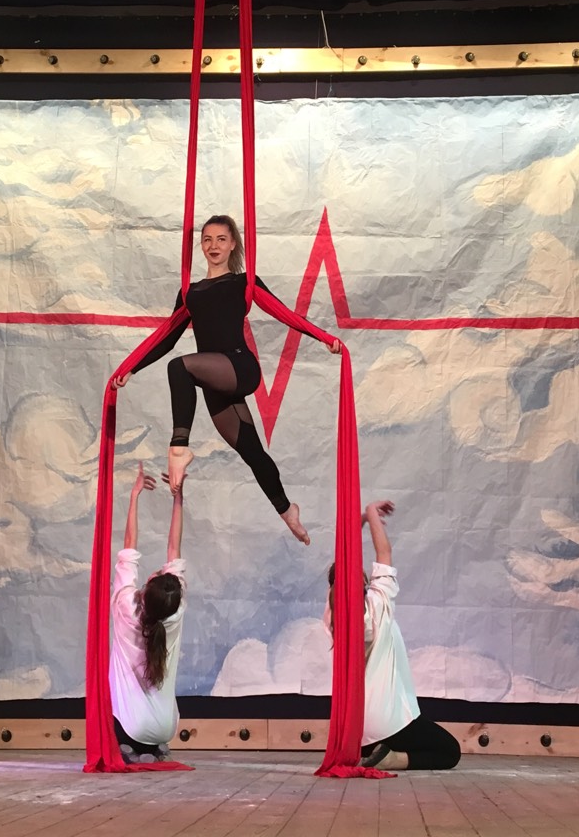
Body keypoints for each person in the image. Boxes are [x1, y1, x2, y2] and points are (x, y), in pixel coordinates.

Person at [113, 214, 340, 546]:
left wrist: (323, 338)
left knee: (180, 368)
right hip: (214, 380)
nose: (213, 245)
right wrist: (132, 368)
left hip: (239, 367)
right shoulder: (190, 292)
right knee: (252, 451)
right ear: (200, 245)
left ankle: (178, 448)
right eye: (207, 239)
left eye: (221, 239)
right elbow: (168, 337)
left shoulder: (243, 283)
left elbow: (285, 314)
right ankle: (287, 509)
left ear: (233, 244)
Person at [325, 500, 462, 771]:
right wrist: (371, 514)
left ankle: (381, 753)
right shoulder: (378, 606)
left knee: (422, 738)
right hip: (387, 722)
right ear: (366, 584)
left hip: (357, 730)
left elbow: (343, 567)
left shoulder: (331, 616)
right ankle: (392, 759)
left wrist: (363, 519)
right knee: (450, 751)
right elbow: (384, 551)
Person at [109, 462, 186, 763]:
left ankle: (129, 746)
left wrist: (135, 495)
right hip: (166, 728)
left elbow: (130, 545)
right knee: (150, 722)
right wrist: (178, 497)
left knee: (112, 697)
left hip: (131, 726)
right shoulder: (175, 614)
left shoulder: (126, 606)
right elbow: (174, 548)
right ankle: (154, 748)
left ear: (146, 589)